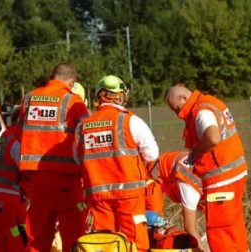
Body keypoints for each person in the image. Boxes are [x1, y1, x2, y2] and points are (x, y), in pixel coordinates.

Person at [74, 75, 159, 252]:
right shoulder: (130, 120)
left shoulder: (83, 127)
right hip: (130, 195)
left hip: (98, 196)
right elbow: (152, 153)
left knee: (103, 244)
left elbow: (77, 159)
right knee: (136, 243)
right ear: (120, 96)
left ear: (99, 96)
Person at [165, 84, 249, 251]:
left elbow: (212, 137)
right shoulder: (210, 103)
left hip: (221, 181)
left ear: (183, 98)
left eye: (177, 109)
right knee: (234, 231)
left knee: (221, 233)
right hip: (233, 175)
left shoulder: (201, 112)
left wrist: (196, 152)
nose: (178, 114)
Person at [18, 63, 89, 252]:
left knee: (37, 236)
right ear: (72, 82)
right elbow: (86, 139)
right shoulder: (74, 102)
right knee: (73, 235)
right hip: (66, 178)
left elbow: (18, 133)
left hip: (36, 180)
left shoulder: (29, 98)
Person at [0, 105, 28, 252]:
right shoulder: (17, 140)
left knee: (2, 239)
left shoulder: (2, 139)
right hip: (7, 198)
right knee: (18, 237)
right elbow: (27, 169)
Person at [145, 150, 205, 250]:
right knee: (153, 221)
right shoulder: (190, 188)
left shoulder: (214, 176)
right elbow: (189, 228)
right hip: (153, 175)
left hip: (172, 173)